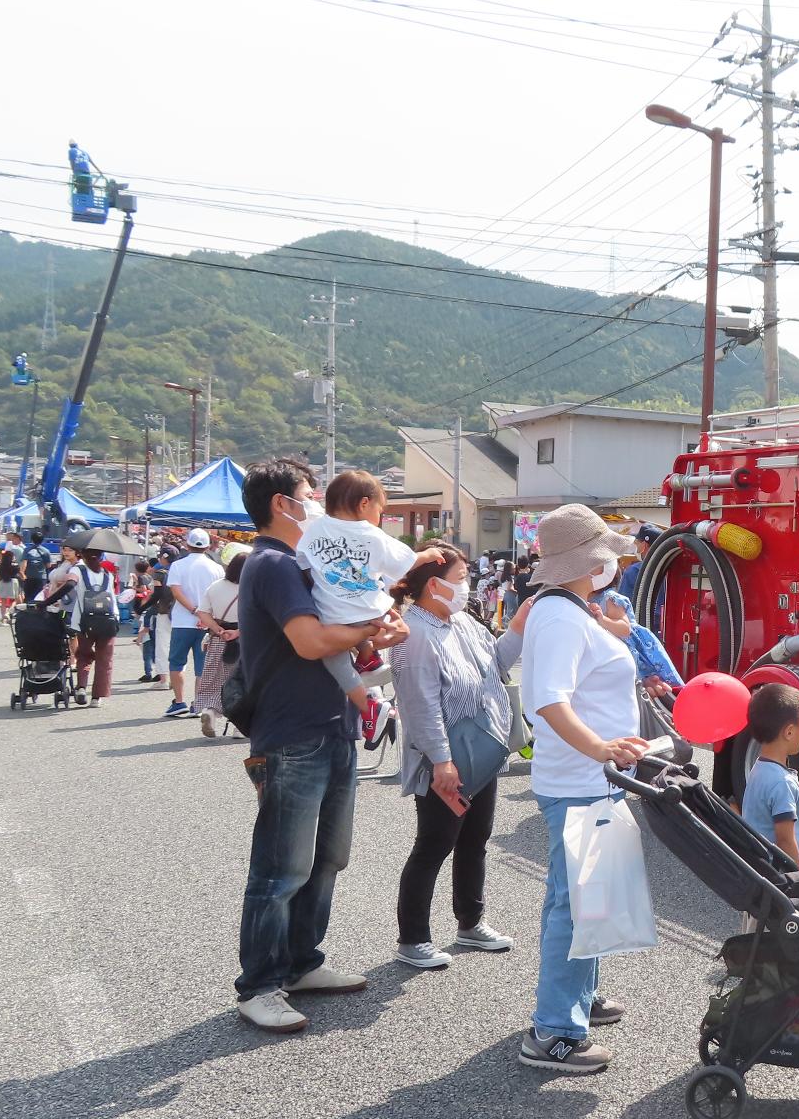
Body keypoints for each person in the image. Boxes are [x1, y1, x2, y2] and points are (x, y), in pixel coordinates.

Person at [231, 459, 408, 1034]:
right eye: (309, 495)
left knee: (326, 860)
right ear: (284, 505)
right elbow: (310, 642)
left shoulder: (303, 563)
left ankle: (303, 962)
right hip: (291, 733)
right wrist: (371, 629)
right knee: (281, 868)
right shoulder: (274, 564)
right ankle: (259, 984)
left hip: (331, 726)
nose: (317, 506)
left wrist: (369, 631)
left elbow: (336, 641)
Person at [516, 504, 648, 1074]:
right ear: (590, 561)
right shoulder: (564, 618)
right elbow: (549, 698)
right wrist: (600, 748)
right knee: (577, 903)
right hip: (582, 780)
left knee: (580, 898)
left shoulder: (564, 610)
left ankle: (577, 1000)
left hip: (582, 778)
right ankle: (555, 1031)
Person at [390, 542, 523, 971]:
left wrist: (518, 628)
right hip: (444, 758)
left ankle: (471, 921)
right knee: (434, 843)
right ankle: (413, 938)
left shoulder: (463, 621)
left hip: (480, 751)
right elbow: (420, 704)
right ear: (434, 585)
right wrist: (442, 760)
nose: (468, 587)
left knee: (475, 839)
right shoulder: (415, 634)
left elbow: (495, 663)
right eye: (462, 579)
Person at [292, 470, 415, 748]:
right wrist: (427, 555)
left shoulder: (316, 528)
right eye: (380, 509)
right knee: (370, 632)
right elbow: (403, 563)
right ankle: (368, 659)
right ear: (364, 504)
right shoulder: (372, 534)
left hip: (334, 614)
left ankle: (369, 706)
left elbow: (301, 561)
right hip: (373, 608)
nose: (379, 516)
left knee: (332, 657)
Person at [741, 683, 799, 870]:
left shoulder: (758, 769)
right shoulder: (782, 783)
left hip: (761, 868)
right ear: (789, 732)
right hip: (781, 877)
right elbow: (786, 840)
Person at [45, 544, 119, 706]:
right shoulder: (108, 574)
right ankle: (97, 697)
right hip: (108, 619)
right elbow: (112, 597)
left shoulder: (78, 571)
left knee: (84, 655)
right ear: (100, 557)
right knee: (104, 659)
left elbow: (70, 586)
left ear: (83, 556)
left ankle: (81, 687)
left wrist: (46, 602)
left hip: (84, 620)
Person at [164, 528, 222, 718]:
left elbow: (176, 592)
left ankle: (179, 701)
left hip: (182, 621)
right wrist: (205, 615)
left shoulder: (178, 566)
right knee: (202, 665)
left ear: (187, 544)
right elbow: (218, 596)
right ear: (207, 546)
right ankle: (197, 703)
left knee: (176, 662)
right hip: (207, 623)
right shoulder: (216, 567)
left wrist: (193, 610)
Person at [194, 549, 248, 737]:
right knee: (242, 682)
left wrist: (218, 630)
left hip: (219, 638)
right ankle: (239, 726)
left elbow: (202, 612)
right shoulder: (251, 588)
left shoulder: (215, 586)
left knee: (215, 678)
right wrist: (238, 632)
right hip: (244, 640)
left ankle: (210, 710)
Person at [614, 522, 663, 607]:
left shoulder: (634, 571)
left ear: (644, 545)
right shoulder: (670, 568)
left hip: (639, 619)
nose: (636, 549)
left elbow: (623, 606)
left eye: (637, 544)